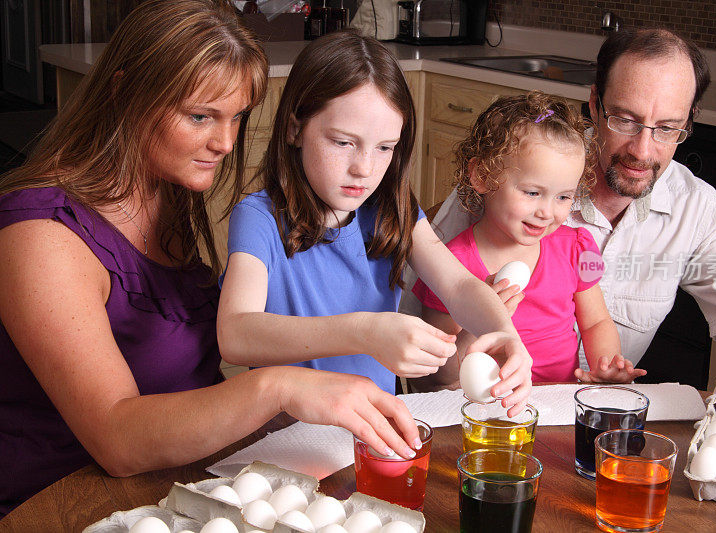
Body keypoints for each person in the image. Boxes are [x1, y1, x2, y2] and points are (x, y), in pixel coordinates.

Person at [0, 1, 418, 517]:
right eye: (200, 116)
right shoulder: (40, 233)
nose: (224, 143)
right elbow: (118, 440)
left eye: (237, 117)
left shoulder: (162, 196)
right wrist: (278, 387)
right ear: (124, 93)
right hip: (59, 504)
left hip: (172, 489)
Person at [406, 28, 716, 415]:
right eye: (625, 120)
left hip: (584, 418)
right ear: (595, 103)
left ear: (688, 124)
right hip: (487, 411)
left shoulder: (695, 209)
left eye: (666, 129)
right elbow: (421, 369)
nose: (643, 150)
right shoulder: (507, 179)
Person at [216, 30, 533, 433]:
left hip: (378, 435)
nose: (364, 168)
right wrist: (365, 332)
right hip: (284, 439)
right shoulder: (259, 218)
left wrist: (505, 335)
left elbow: (459, 286)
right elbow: (236, 332)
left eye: (385, 148)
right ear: (295, 129)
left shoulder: (390, 210)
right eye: (344, 142)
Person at [411, 92, 646, 390]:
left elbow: (596, 322)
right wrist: (478, 319)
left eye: (563, 197)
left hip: (556, 401)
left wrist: (607, 364)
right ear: (482, 176)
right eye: (532, 193)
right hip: (487, 405)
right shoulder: (449, 264)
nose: (546, 212)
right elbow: (439, 375)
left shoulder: (576, 248)